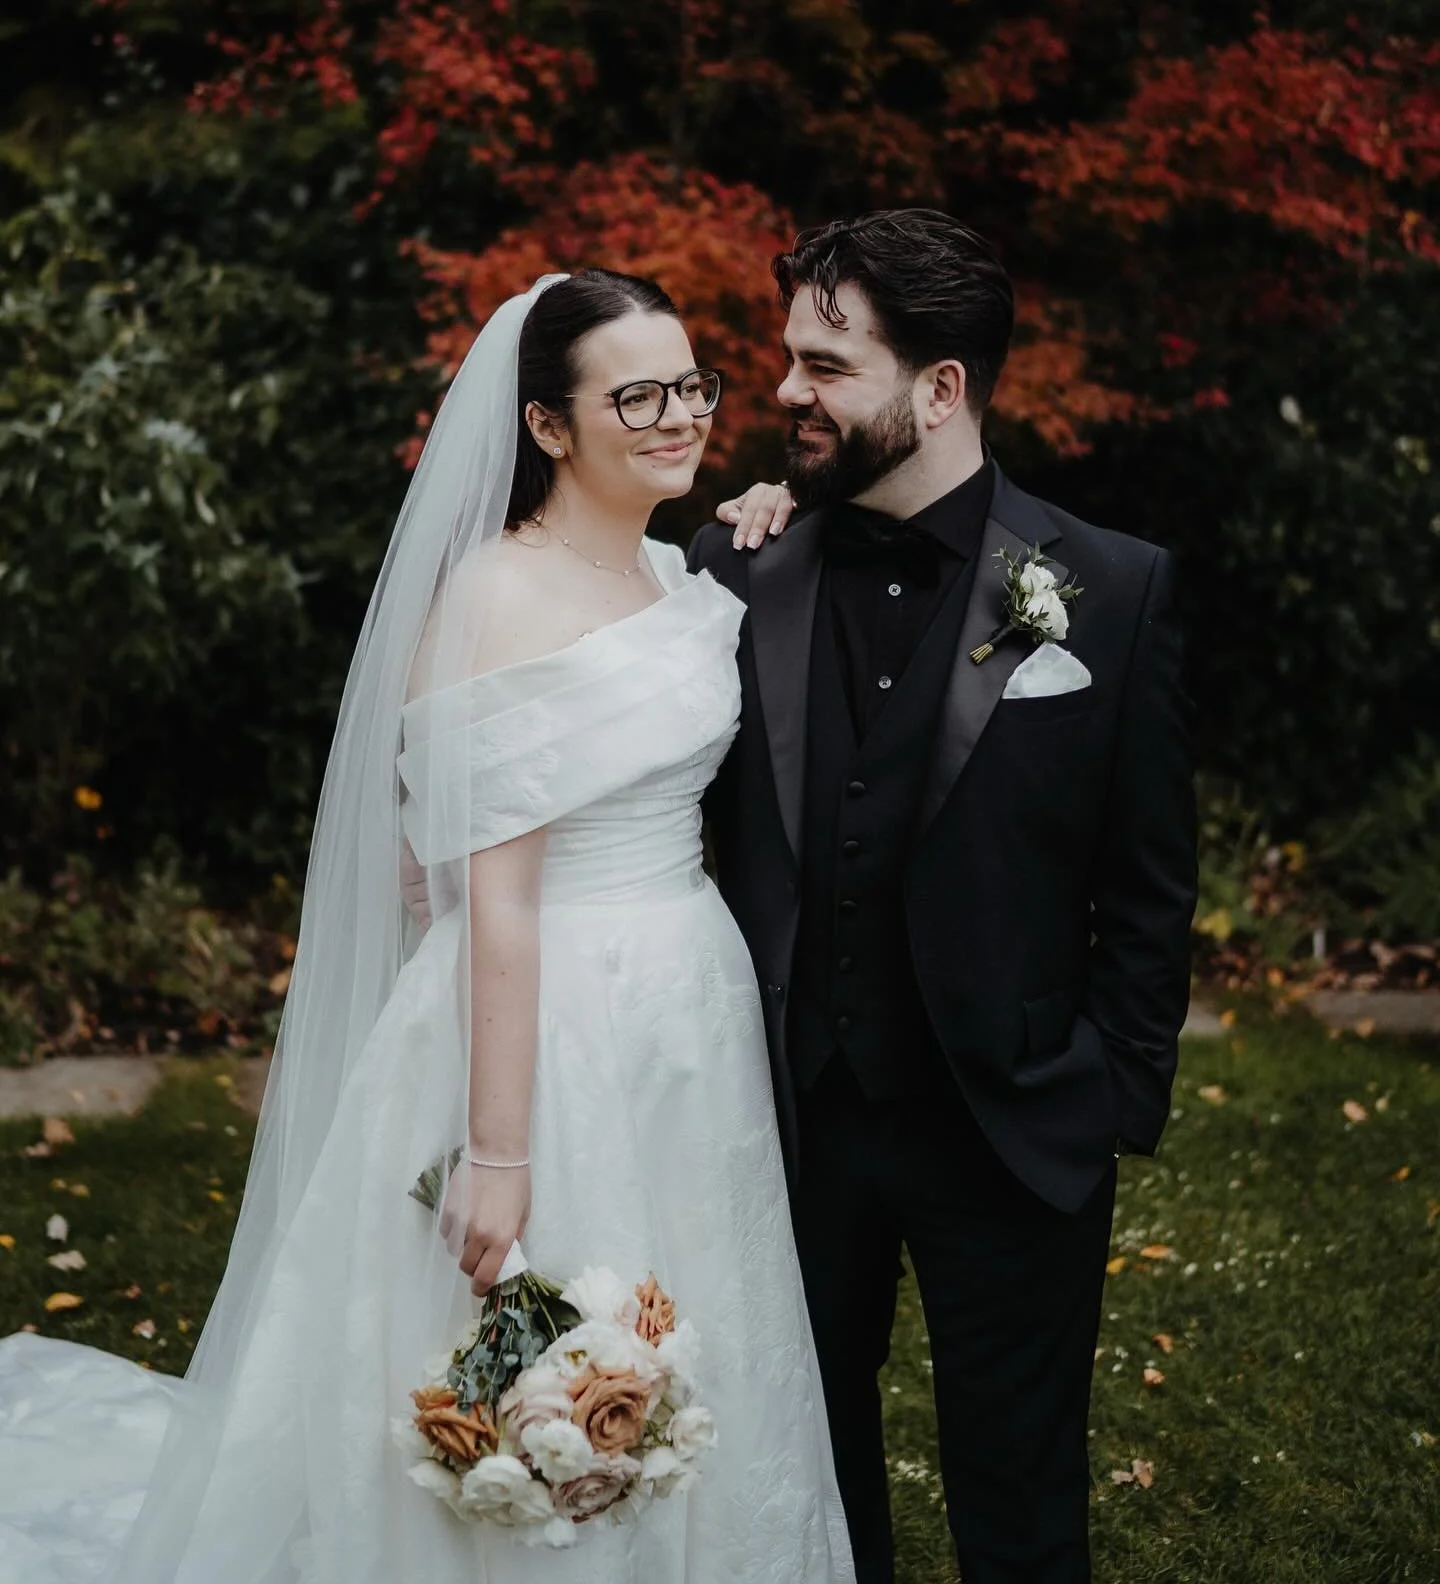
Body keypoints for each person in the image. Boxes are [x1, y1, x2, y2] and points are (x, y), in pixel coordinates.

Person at [0, 271, 853, 1584]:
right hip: (545, 1028)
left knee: (692, 1304)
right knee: (537, 1319)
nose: (682, 416)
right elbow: (490, 896)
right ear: (550, 429)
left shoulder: (680, 570)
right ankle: (529, 1513)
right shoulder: (496, 600)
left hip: (687, 1006)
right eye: (639, 395)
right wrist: (499, 1154)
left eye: (694, 385)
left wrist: (769, 508)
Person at [689, 210, 1198, 1584]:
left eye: (827, 363)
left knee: (1022, 1489)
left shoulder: (1108, 589)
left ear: (942, 389)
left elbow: (1149, 889)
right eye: (789, 356)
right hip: (789, 1121)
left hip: (1013, 1126)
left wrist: (1108, 1094)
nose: (786, 389)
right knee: (801, 1468)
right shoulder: (734, 569)